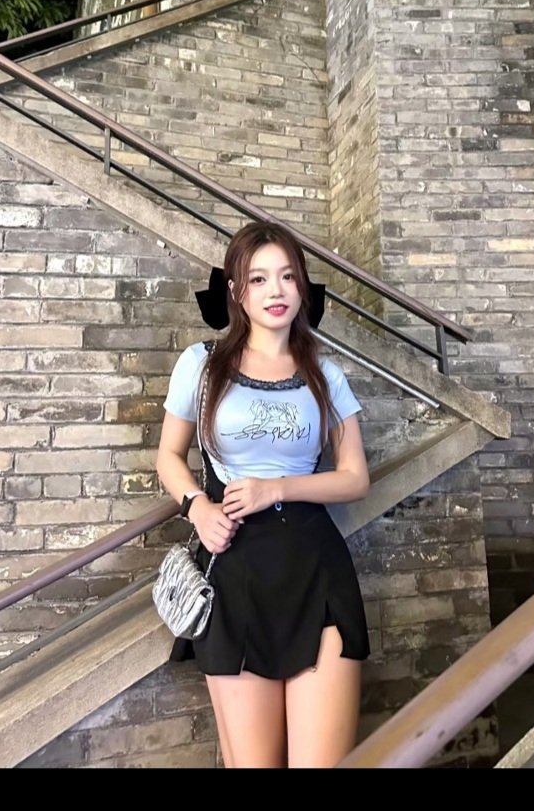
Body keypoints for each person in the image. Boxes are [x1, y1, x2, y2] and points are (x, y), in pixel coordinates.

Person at [156, 220, 370, 768]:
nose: (276, 291)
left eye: (287, 276)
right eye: (258, 278)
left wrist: (277, 487)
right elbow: (169, 457)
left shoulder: (326, 374)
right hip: (235, 571)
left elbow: (355, 478)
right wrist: (198, 508)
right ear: (236, 290)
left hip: (316, 568)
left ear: (302, 286)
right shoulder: (202, 364)